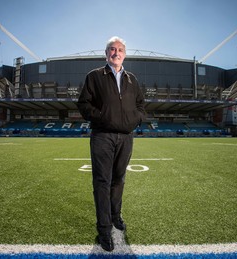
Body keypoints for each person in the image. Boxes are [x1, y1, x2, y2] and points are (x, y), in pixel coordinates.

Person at [76, 36, 146, 252]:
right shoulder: (95, 76)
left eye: (120, 50)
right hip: (103, 136)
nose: (116, 53)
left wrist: (135, 120)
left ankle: (115, 216)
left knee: (119, 180)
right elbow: (83, 103)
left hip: (126, 137)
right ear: (106, 53)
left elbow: (141, 105)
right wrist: (101, 117)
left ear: (125, 54)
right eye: (112, 49)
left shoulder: (132, 79)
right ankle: (104, 229)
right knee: (102, 182)